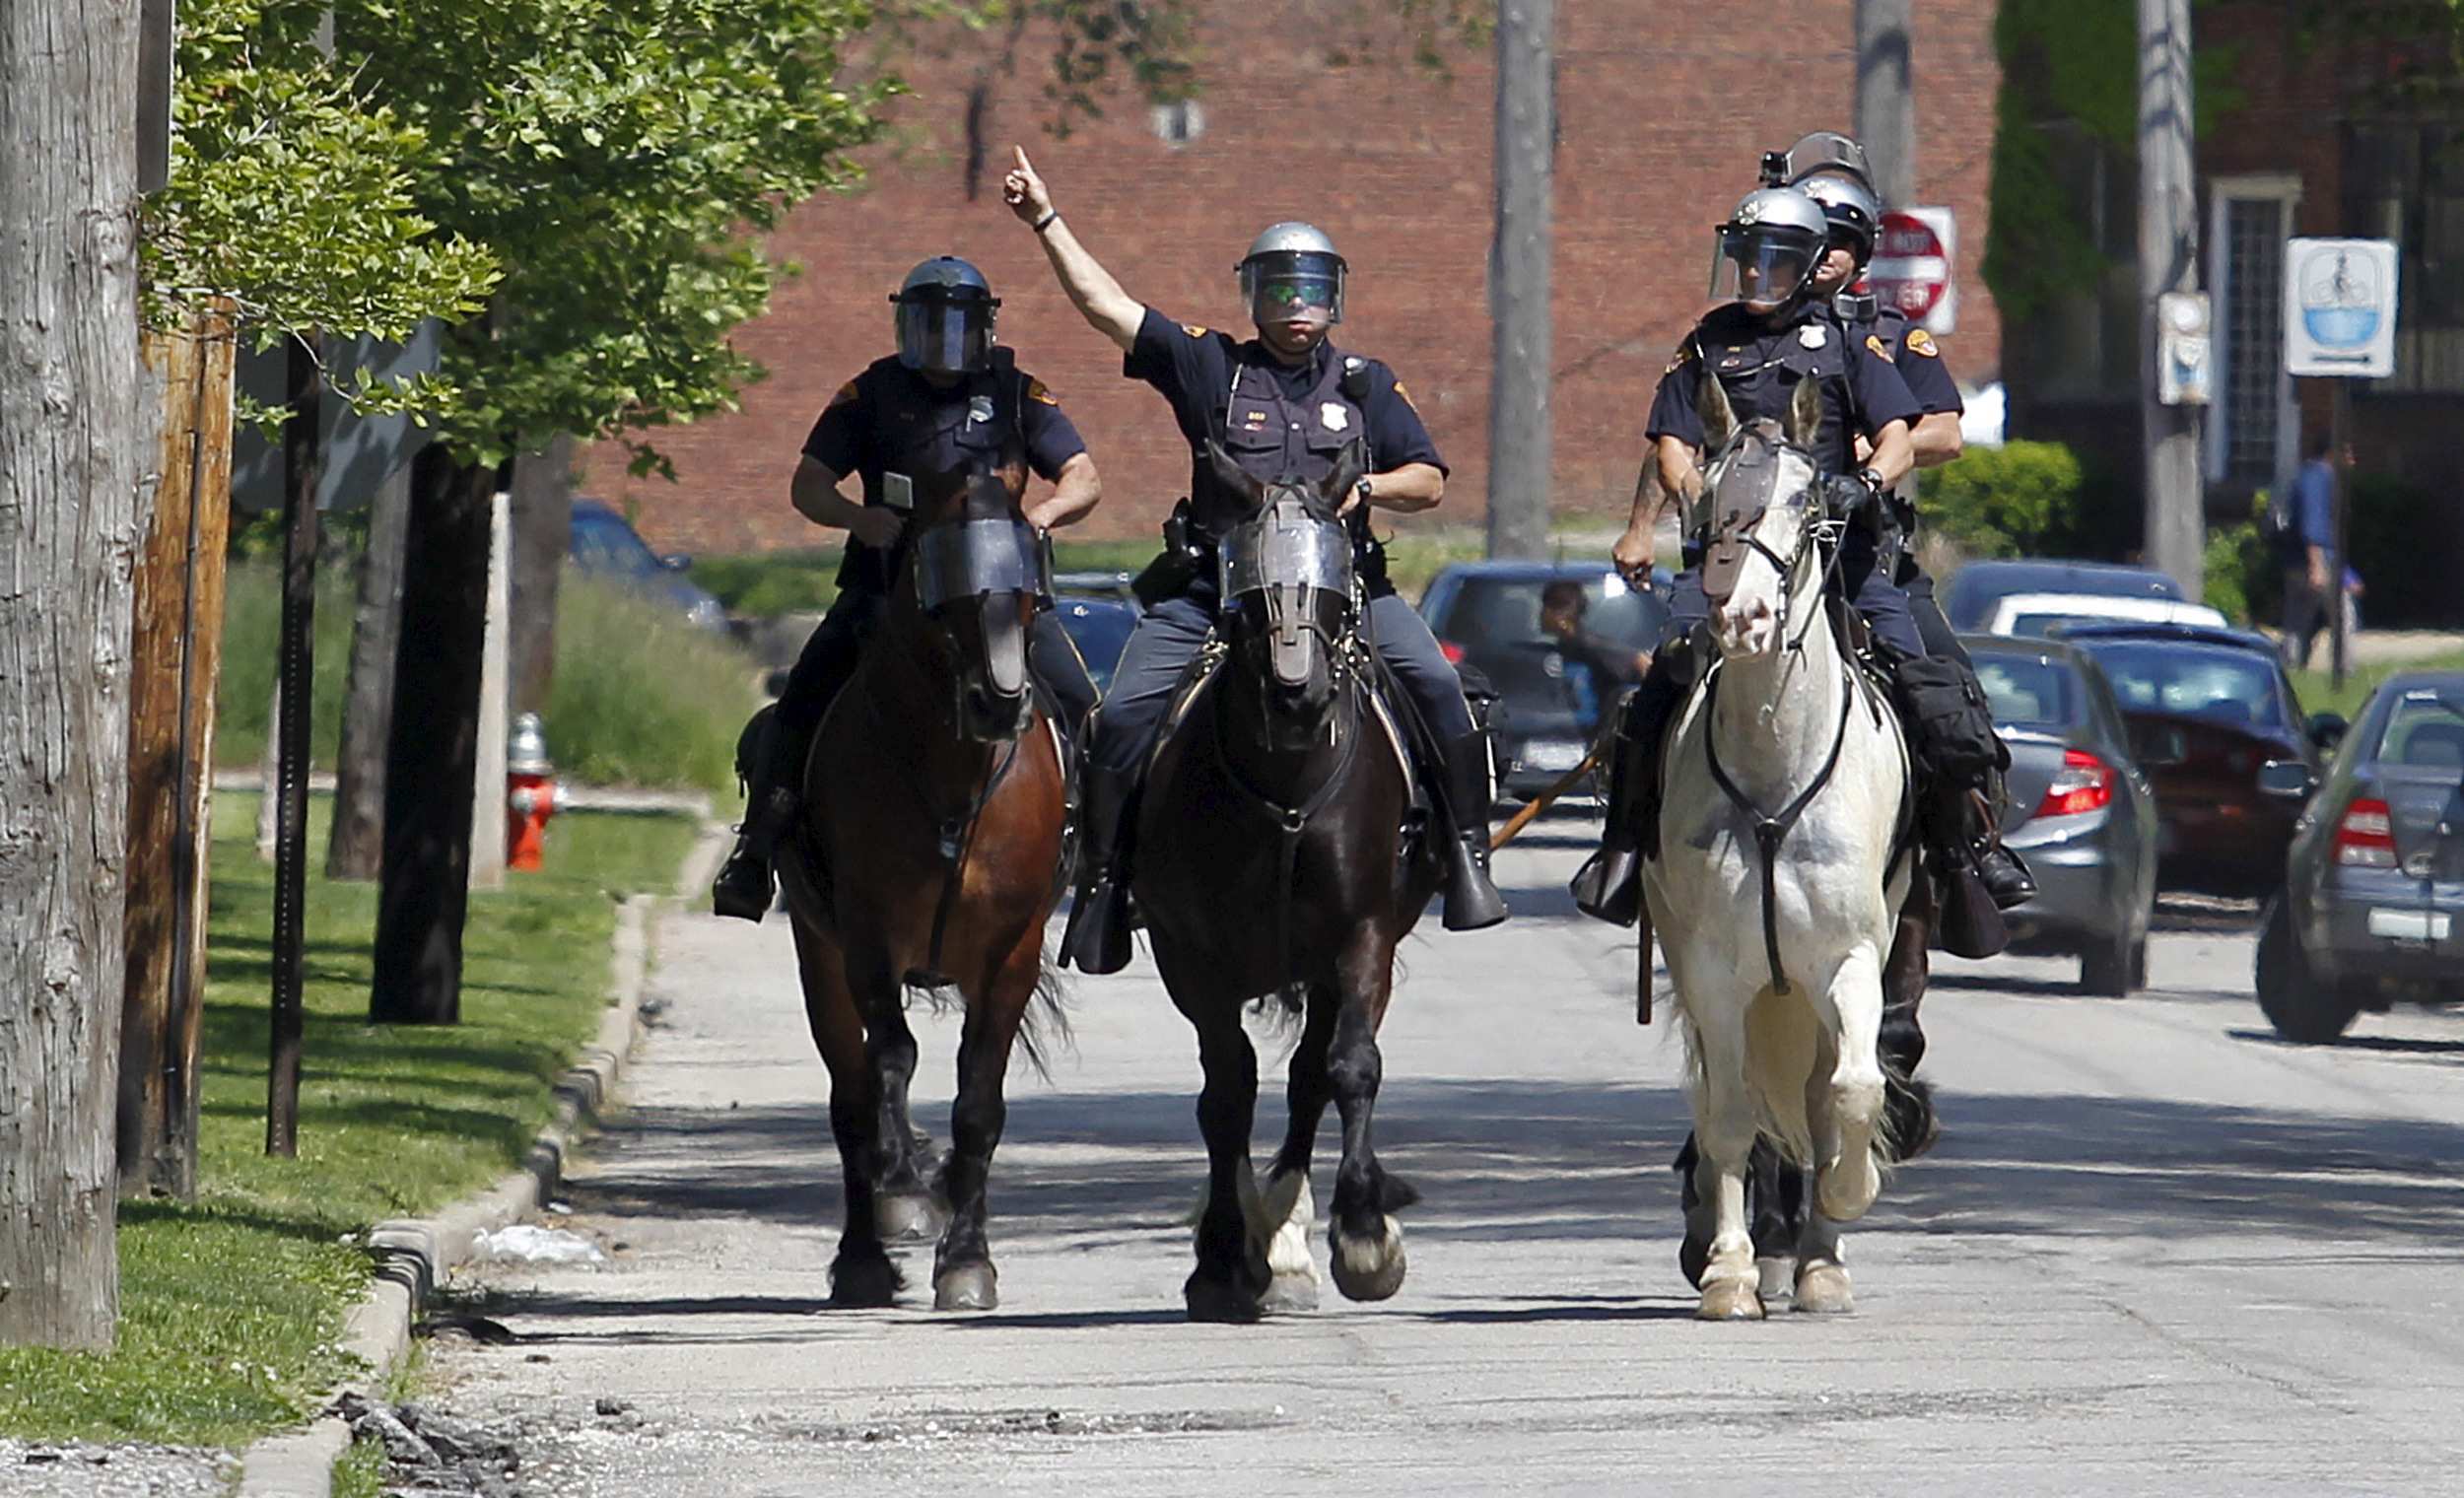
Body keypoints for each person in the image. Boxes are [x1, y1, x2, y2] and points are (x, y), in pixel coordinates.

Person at [1000, 147, 1507, 974]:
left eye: (1310, 287)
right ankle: (1103, 887)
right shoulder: (1212, 368)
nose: (1296, 303)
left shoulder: (1366, 383)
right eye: (1279, 286)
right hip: (1218, 594)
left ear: (1334, 295)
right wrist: (1046, 220)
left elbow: (1430, 482)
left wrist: (1371, 485)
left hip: (1346, 592)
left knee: (1444, 696)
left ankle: (1464, 859)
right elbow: (1107, 307)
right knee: (1121, 717)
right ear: (1254, 295)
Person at [1570, 183, 2024, 943]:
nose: (1758, 276)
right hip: (1732, 557)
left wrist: (1867, 482)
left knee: (1931, 692)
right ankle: (1621, 851)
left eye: (1777, 261)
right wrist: (1691, 493)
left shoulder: (1848, 340)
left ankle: (1962, 855)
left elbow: (1905, 434)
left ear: (1808, 263)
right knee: (1655, 696)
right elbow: (1674, 440)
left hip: (1842, 561)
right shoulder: (1709, 341)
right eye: (1749, 261)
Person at [711, 255, 1104, 922]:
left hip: (999, 600)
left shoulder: (1018, 394)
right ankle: (758, 848)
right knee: (802, 697)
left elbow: (1084, 476)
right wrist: (856, 518)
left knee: (1082, 704)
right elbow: (808, 484)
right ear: (904, 325)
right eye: (929, 324)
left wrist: (1042, 514)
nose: (943, 340)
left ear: (984, 326)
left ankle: (1099, 861)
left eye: (959, 324)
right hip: (883, 593)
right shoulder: (870, 395)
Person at [1538, 579, 1648, 729]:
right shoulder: (1564, 648)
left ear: (1562, 614)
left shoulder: (1591, 647)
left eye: (1546, 608)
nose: (1541, 615)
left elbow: (1640, 663)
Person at [2277, 433, 2340, 669]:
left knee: (2297, 619)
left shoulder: (2304, 476)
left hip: (2295, 561)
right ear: (2331, 455)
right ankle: (2343, 667)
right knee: (2342, 615)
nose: (2352, 461)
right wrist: (2317, 565)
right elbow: (2313, 526)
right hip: (2314, 560)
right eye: (2347, 454)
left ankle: (2289, 665)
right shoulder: (2319, 479)